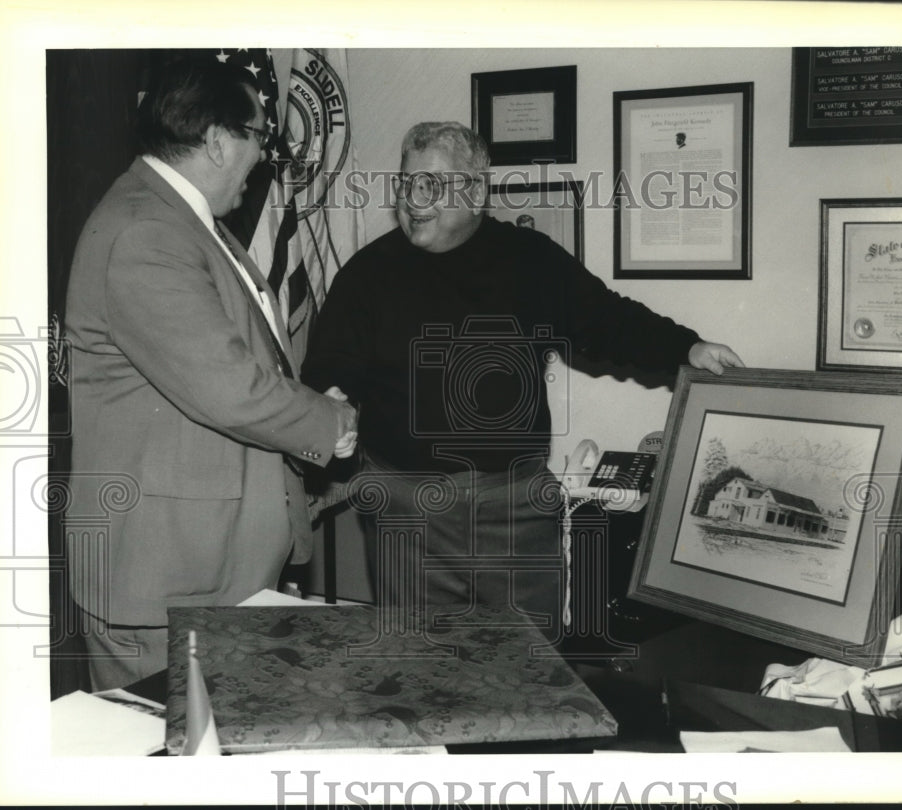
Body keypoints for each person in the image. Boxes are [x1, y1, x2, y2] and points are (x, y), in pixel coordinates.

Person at [301, 121, 742, 637]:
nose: (414, 199)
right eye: (407, 183)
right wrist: (329, 400)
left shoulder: (530, 260)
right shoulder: (364, 275)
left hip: (514, 504)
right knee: (423, 668)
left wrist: (686, 347)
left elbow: (607, 320)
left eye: (433, 184)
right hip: (407, 507)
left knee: (532, 666)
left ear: (476, 191)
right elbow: (327, 372)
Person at [64, 59, 357, 690]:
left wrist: (306, 405)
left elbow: (237, 361)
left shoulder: (182, 223)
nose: (264, 159)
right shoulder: (145, 232)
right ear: (220, 140)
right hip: (163, 577)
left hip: (211, 566)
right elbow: (228, 389)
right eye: (261, 138)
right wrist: (327, 421)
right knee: (169, 770)